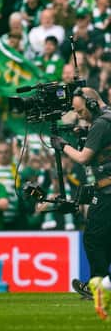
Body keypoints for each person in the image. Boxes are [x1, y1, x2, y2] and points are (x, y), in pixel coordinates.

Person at [50, 88, 111, 321]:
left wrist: (62, 145)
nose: (81, 115)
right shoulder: (107, 118)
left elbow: (84, 157)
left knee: (93, 238)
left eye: (82, 110)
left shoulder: (101, 124)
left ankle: (98, 286)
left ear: (93, 104)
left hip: (107, 190)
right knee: (105, 239)